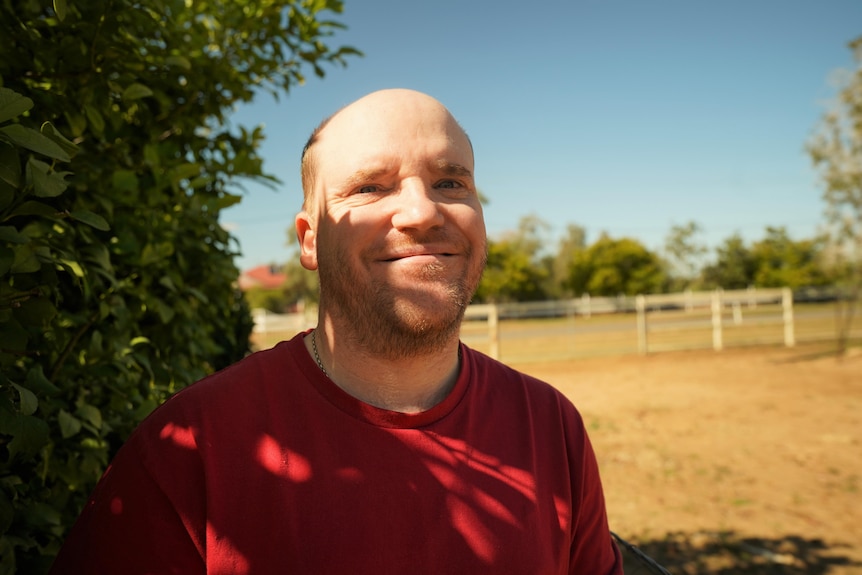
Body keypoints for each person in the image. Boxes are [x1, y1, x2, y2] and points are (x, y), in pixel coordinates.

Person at [50, 88, 623, 574]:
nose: (422, 212)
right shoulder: (189, 449)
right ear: (308, 238)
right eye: (371, 187)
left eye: (451, 183)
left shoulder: (551, 426)